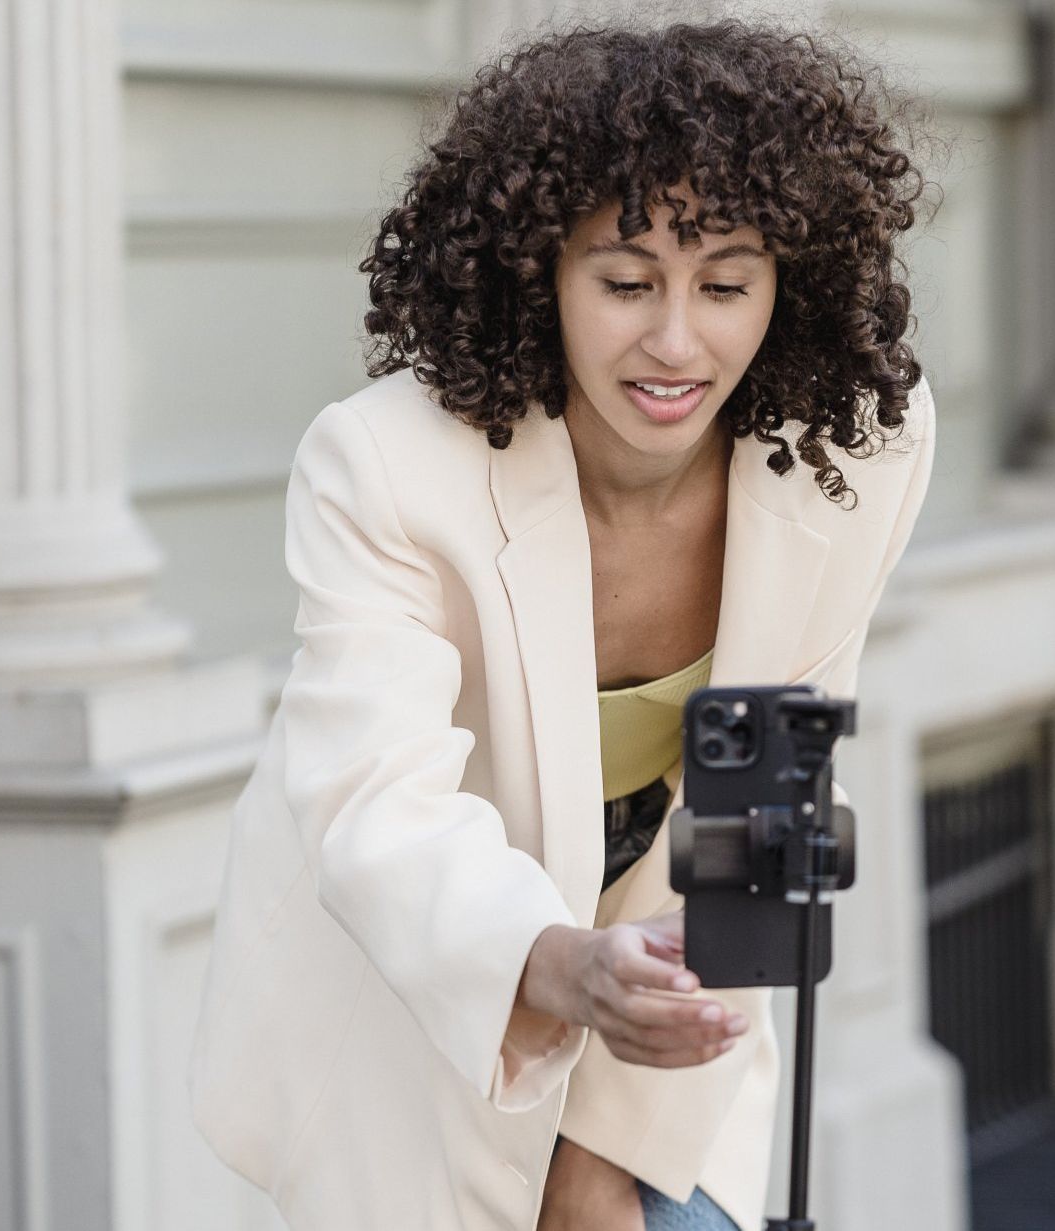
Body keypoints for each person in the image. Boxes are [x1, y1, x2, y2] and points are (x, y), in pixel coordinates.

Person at [186, 14, 939, 1231]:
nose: (677, 341)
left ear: (788, 284)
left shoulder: (856, 454)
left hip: (674, 999)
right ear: (537, 271)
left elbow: (755, 800)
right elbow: (378, 800)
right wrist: (560, 966)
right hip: (413, 990)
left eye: (729, 283)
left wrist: (601, 1158)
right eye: (627, 281)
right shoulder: (383, 464)